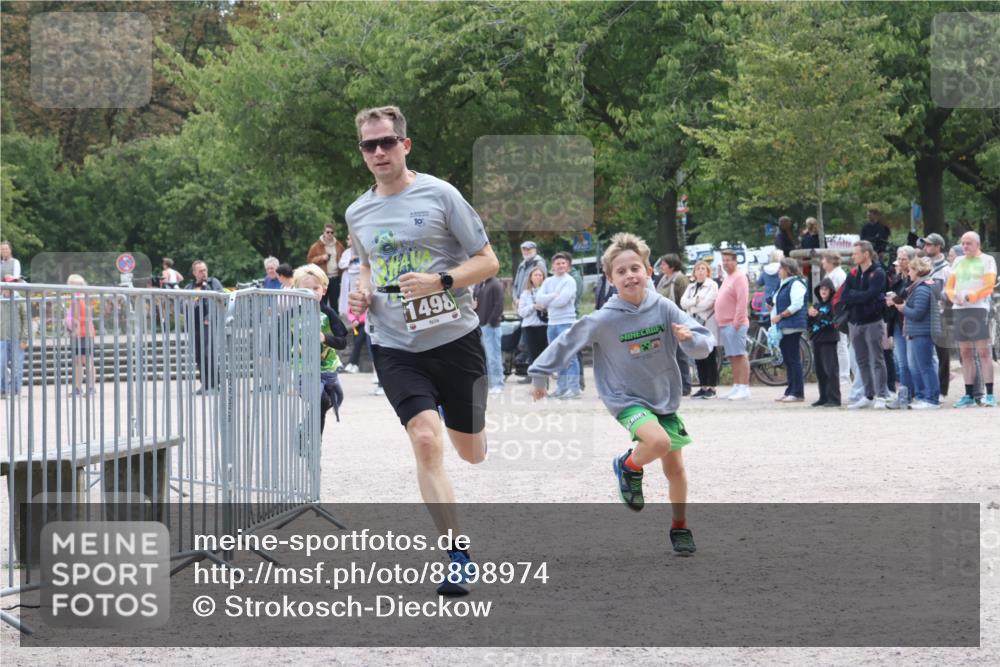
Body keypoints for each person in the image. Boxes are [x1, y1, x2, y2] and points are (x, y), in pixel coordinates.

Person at [346, 105, 499, 595]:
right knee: (426, 440)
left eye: (387, 142)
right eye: (369, 145)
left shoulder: (441, 194)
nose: (378, 152)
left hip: (454, 339)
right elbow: (366, 263)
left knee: (471, 453)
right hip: (395, 345)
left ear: (405, 145)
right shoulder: (357, 212)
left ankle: (464, 423)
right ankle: (457, 555)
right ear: (362, 152)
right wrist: (362, 292)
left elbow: (489, 261)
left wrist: (441, 280)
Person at [528, 232, 715, 556]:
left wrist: (690, 339)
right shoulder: (605, 318)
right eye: (621, 271)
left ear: (648, 271)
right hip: (625, 399)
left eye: (635, 268)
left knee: (676, 470)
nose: (630, 275)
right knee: (658, 442)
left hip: (663, 397)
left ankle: (680, 526)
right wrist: (540, 373)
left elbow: (702, 343)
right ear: (610, 278)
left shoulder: (664, 307)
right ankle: (628, 465)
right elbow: (568, 340)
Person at [292, 264, 348, 432]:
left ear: (324, 289)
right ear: (296, 291)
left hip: (328, 370)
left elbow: (342, 342)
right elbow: (279, 340)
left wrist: (325, 338)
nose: (311, 293)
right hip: (304, 370)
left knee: (333, 400)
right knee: (321, 400)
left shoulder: (329, 314)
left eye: (315, 288)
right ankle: (312, 439)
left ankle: (305, 430)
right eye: (305, 289)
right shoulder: (292, 314)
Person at [945, 231, 997, 407]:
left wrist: (973, 296)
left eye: (968, 243)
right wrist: (953, 297)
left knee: (983, 352)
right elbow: (949, 286)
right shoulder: (958, 261)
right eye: (963, 243)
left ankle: (990, 394)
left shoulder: (987, 260)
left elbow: (989, 285)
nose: (965, 246)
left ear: (978, 244)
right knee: (965, 352)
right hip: (959, 309)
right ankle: (969, 395)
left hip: (979, 309)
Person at [843, 241, 889, 409]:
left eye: (856, 253)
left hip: (873, 321)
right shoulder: (853, 273)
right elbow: (845, 296)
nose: (853, 256)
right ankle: (868, 395)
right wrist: (860, 296)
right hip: (855, 322)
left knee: (877, 359)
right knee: (861, 360)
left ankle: (881, 395)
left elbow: (872, 295)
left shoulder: (878, 273)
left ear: (866, 254)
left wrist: (856, 295)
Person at [891, 256, 941, 409]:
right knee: (918, 367)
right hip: (917, 332)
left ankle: (931, 399)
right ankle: (922, 397)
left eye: (911, 270)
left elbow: (918, 313)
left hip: (922, 332)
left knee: (925, 366)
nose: (908, 273)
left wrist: (903, 308)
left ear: (917, 271)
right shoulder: (920, 287)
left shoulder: (922, 288)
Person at [534, 251, 581, 399]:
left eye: (563, 263)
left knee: (569, 356)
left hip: (566, 322)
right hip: (552, 323)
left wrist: (547, 301)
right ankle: (562, 388)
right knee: (557, 356)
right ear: (552, 266)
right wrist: (553, 296)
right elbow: (538, 299)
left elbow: (562, 301)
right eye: (558, 263)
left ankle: (574, 389)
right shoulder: (548, 281)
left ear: (567, 265)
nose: (561, 266)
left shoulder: (570, 281)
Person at [770, 258, 808, 402]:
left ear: (788, 269)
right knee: (788, 359)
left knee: (793, 359)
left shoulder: (796, 283)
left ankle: (797, 392)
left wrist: (780, 316)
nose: (778, 271)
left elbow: (796, 304)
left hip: (792, 325)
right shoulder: (784, 283)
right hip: (784, 326)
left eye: (781, 268)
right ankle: (790, 390)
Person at [680, 260, 719, 399]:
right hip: (694, 323)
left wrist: (692, 305)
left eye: (703, 268)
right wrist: (695, 302)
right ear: (694, 272)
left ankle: (712, 387)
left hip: (707, 322)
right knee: (698, 354)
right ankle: (703, 386)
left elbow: (707, 304)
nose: (700, 271)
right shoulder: (691, 287)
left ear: (707, 271)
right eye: (698, 269)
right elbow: (683, 303)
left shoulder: (712, 285)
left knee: (710, 355)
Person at [716, 249, 751, 401]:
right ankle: (737, 385)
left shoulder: (739, 277)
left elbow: (742, 301)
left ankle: (744, 387)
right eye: (723, 260)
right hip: (725, 323)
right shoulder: (728, 277)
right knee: (732, 356)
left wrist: (737, 322)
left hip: (735, 323)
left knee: (740, 355)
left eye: (728, 260)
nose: (725, 263)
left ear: (735, 261)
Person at [185, 260, 225, 394]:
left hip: (209, 324)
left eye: (205, 270)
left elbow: (221, 299)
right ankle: (205, 384)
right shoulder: (189, 287)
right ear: (194, 273)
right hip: (194, 325)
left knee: (209, 353)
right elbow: (181, 305)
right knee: (198, 355)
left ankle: (214, 384)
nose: (204, 273)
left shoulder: (213, 283)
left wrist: (210, 316)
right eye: (200, 271)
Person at [885, 246, 916, 409]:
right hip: (897, 322)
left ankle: (917, 394)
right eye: (899, 258)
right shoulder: (897, 278)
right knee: (902, 362)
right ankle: (904, 395)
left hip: (910, 323)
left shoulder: (914, 279)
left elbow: (909, 299)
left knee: (912, 362)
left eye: (904, 259)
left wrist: (896, 300)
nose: (900, 262)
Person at [657, 254, 691, 396]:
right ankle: (672, 385)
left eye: (664, 264)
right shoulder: (663, 279)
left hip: (677, 321)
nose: (661, 266)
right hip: (664, 322)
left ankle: (685, 385)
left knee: (680, 355)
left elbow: (685, 300)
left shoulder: (680, 279)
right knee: (668, 355)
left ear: (672, 266)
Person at [921, 233, 951, 397]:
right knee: (924, 353)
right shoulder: (923, 264)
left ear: (938, 246)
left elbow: (949, 292)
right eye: (925, 244)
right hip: (923, 313)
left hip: (941, 314)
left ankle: (942, 390)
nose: (926, 247)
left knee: (942, 353)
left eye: (929, 244)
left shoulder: (947, 269)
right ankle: (926, 388)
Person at [808, 278, 841, 407]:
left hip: (829, 339)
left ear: (831, 291)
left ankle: (834, 398)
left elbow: (832, 322)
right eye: (821, 289)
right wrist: (809, 315)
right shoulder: (817, 305)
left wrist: (817, 315)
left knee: (830, 369)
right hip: (817, 339)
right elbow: (809, 323)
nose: (823, 291)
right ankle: (823, 397)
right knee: (820, 370)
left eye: (826, 289)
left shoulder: (833, 305)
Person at [820, 251, 851, 384]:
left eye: (824, 259)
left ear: (831, 261)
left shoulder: (839, 275)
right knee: (835, 345)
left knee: (841, 344)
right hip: (830, 313)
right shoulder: (829, 275)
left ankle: (844, 376)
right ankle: (836, 374)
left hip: (838, 314)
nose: (822, 262)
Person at [517, 266, 549, 384]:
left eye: (540, 275)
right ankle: (533, 377)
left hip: (543, 326)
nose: (538, 277)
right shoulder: (525, 294)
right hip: (529, 327)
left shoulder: (546, 292)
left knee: (543, 354)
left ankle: (544, 379)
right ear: (530, 277)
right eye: (535, 275)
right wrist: (533, 306)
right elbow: (521, 312)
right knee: (531, 353)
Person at [474, 275, 505, 394]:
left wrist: (490, 322)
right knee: (485, 358)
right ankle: (490, 383)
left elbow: (499, 305)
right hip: (480, 325)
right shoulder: (479, 283)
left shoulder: (495, 284)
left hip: (491, 327)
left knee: (494, 357)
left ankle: (498, 383)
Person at [66, 274, 95, 396]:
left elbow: (81, 317)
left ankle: (90, 387)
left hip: (84, 334)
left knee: (86, 361)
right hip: (78, 334)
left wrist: (71, 324)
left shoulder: (82, 298)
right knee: (79, 361)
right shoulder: (76, 298)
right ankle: (78, 388)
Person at [0, 276, 28, 399]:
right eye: (9, 283)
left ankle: (15, 391)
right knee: (1, 365)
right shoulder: (0, 299)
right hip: (2, 338)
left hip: (17, 337)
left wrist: (24, 338)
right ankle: (3, 390)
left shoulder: (19, 299)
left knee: (17, 366)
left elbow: (26, 319)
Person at [307, 224, 345, 313]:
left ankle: (335, 321)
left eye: (332, 232)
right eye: (327, 232)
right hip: (322, 279)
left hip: (335, 278)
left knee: (334, 303)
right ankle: (322, 320)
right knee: (322, 302)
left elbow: (344, 259)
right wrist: (321, 258)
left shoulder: (339, 246)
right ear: (324, 233)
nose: (330, 234)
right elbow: (309, 260)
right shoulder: (316, 246)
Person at [512, 241, 546, 309]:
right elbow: (515, 285)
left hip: (532, 304)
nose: (526, 251)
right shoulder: (521, 265)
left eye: (528, 249)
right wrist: (515, 299)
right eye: (524, 249)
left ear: (535, 250)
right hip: (520, 304)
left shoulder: (539, 263)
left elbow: (542, 284)